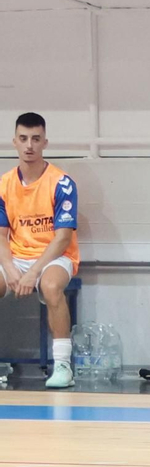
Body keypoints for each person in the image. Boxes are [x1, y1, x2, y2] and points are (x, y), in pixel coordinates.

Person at [0, 113, 80, 389]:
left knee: (50, 285)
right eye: (23, 139)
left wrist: (32, 272)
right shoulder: (4, 184)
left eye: (35, 139)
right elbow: (0, 236)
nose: (29, 145)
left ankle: (62, 366)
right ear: (14, 142)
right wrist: (10, 269)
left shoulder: (62, 182)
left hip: (55, 257)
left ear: (45, 142)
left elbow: (62, 238)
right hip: (17, 256)